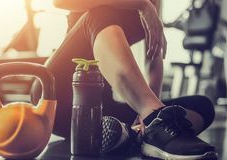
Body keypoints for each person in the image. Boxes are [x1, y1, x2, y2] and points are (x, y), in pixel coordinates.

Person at [31, 0, 217, 159]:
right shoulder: (143, 4)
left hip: (101, 108)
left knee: (202, 106)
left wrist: (147, 117)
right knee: (100, 10)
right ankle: (147, 124)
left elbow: (153, 55)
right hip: (57, 95)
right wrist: (141, 4)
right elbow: (60, 1)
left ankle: (141, 133)